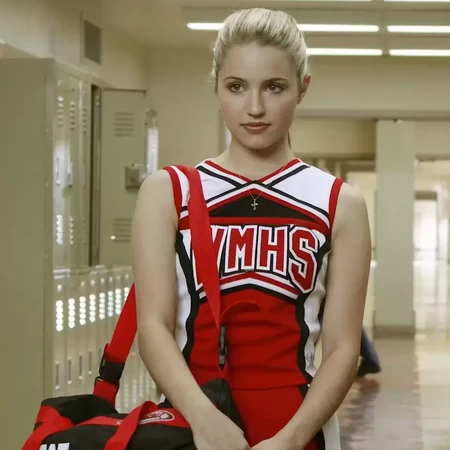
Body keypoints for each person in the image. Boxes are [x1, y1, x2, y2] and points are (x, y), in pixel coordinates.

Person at [131, 8, 371, 450]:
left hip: (299, 429)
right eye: (236, 87)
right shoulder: (169, 192)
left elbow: (343, 349)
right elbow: (153, 328)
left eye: (274, 87)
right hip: (194, 426)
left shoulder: (340, 204)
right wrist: (205, 421)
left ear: (302, 87)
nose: (255, 107)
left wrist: (291, 439)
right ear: (217, 87)